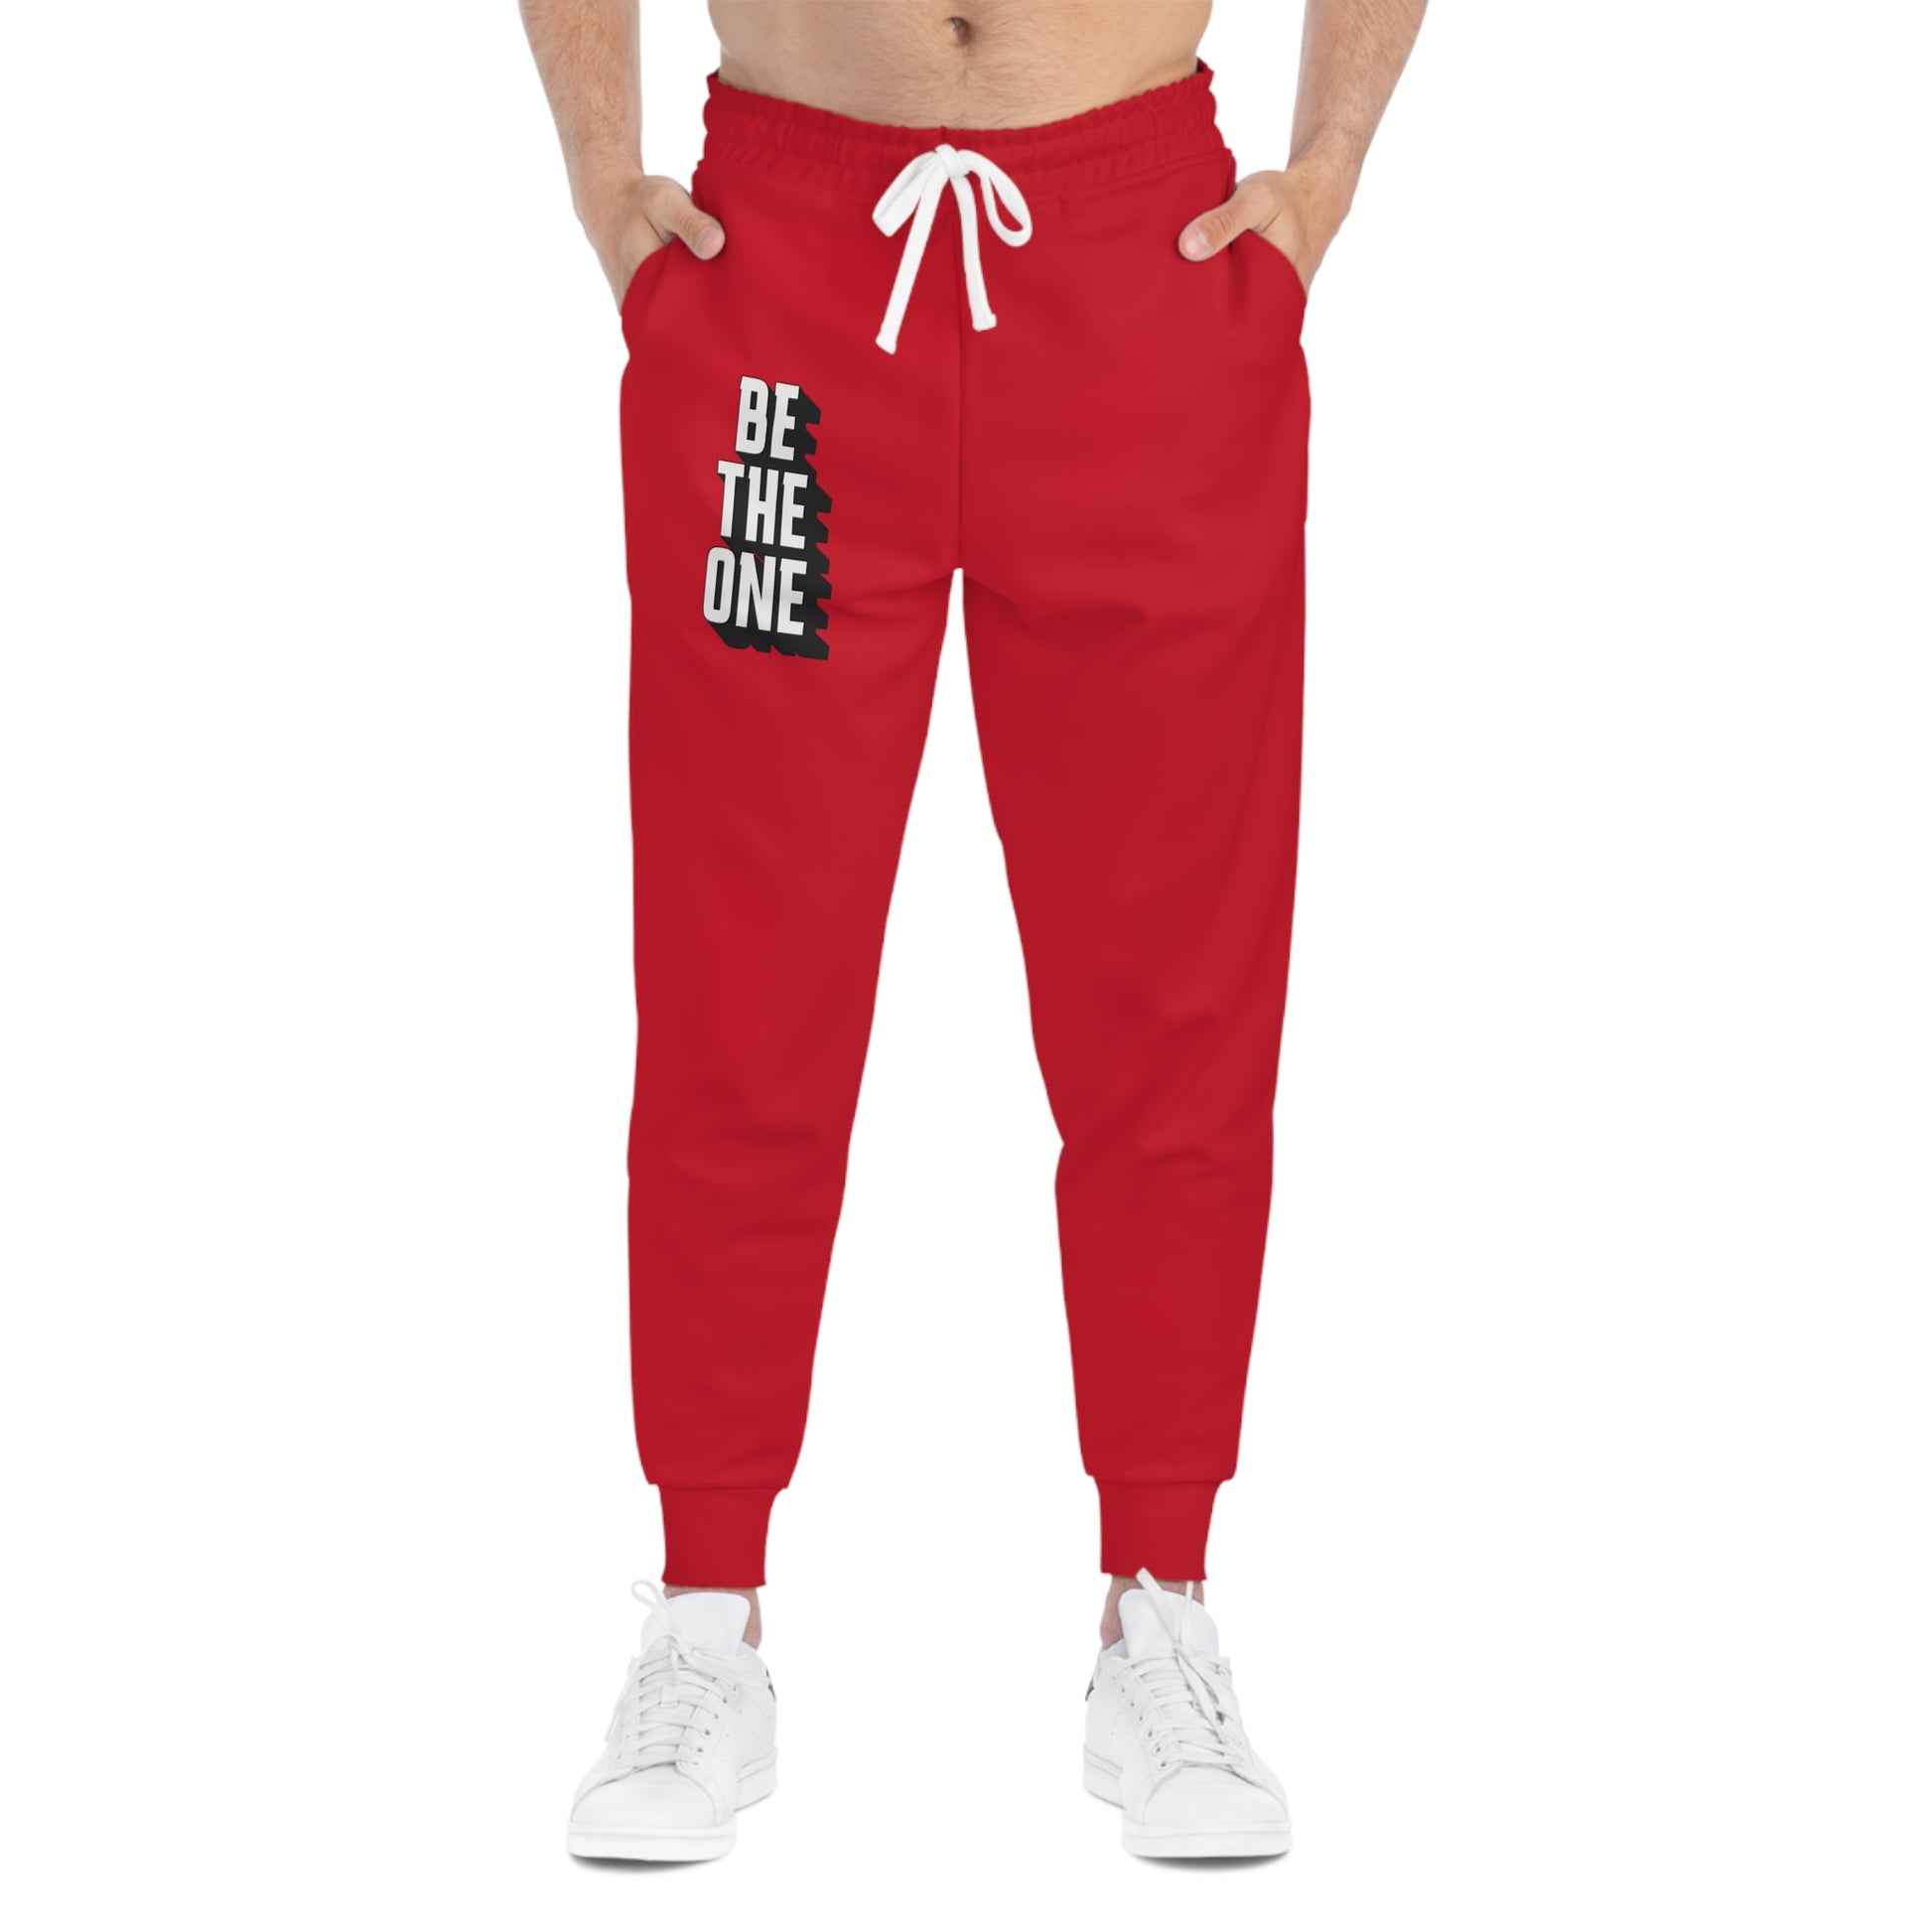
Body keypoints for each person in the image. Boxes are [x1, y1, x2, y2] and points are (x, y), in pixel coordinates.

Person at [519, 0, 1426, 1863]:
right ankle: (703, 1611)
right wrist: (603, 175)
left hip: (1140, 260)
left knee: (1171, 987)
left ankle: (1158, 1602)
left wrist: (1327, 170)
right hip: (783, 272)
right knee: (738, 979)